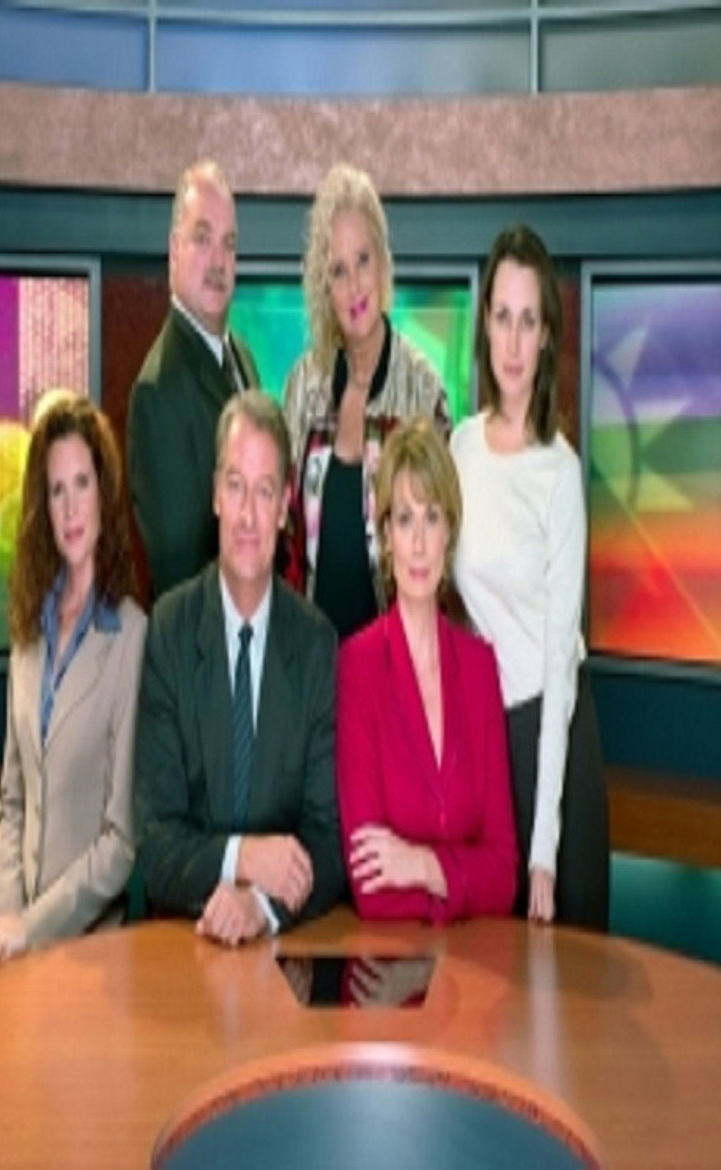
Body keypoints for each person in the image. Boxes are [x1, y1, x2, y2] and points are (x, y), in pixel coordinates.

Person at [134, 390, 344, 947]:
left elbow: (327, 841)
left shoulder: (317, 645)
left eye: (264, 490)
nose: (248, 515)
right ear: (214, 496)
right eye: (235, 485)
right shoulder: (169, 631)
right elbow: (156, 843)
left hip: (284, 954)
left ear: (285, 507)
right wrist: (243, 858)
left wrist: (262, 908)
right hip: (182, 944)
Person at [450, 224, 609, 930]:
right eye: (502, 317)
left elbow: (557, 664)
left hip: (556, 735)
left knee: (565, 967)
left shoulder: (559, 471)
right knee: (494, 971)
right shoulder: (459, 447)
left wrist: (544, 849)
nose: (512, 343)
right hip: (489, 739)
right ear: (485, 323)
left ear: (547, 336)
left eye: (528, 321)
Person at [336, 416, 518, 924]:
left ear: (449, 533)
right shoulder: (357, 666)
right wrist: (462, 880)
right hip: (391, 962)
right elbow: (370, 888)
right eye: (404, 519)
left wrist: (420, 865)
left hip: (477, 961)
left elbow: (504, 873)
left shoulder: (480, 668)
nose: (418, 543)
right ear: (386, 535)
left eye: (432, 518)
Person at [0, 395, 146, 962]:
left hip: (89, 955)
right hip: (14, 949)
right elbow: (12, 801)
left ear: (104, 494)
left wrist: (32, 927)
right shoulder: (27, 628)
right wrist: (5, 920)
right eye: (57, 491)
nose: (72, 508)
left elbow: (120, 841)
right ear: (42, 507)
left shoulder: (130, 635)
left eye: (82, 484)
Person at [283, 162, 450, 640]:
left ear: (383, 262)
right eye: (338, 271)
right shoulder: (303, 385)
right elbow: (285, 540)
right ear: (324, 286)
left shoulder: (423, 390)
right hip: (311, 661)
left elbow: (441, 545)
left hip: (393, 661)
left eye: (363, 261)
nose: (354, 285)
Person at [128, 159, 260, 599]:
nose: (218, 261)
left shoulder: (243, 359)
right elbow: (180, 576)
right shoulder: (157, 392)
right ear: (174, 250)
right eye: (202, 238)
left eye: (229, 244)